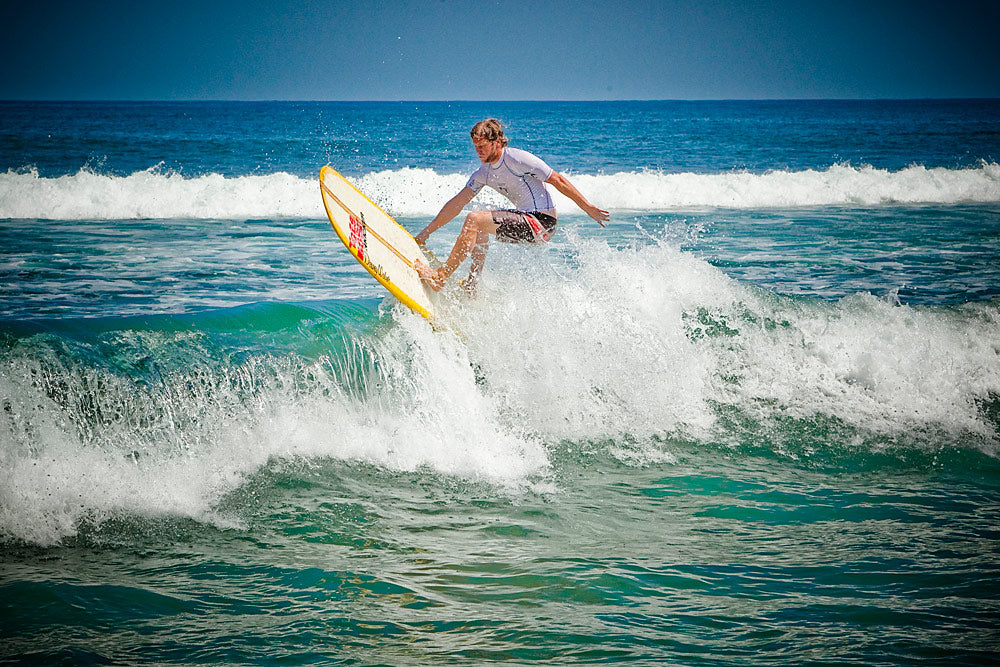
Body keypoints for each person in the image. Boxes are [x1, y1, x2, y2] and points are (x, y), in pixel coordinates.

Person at [413, 118, 609, 291]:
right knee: (478, 225)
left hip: (542, 222)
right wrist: (426, 232)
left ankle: (440, 277)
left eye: (482, 146)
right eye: (475, 147)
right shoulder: (484, 173)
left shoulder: (517, 158)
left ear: (497, 142)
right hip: (527, 222)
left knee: (474, 219)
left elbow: (557, 179)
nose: (478, 151)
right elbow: (456, 204)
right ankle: (472, 286)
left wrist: (588, 208)